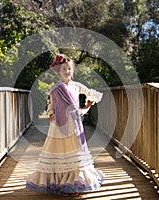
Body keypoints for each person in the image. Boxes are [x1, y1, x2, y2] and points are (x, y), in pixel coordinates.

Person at [25, 54, 104, 196]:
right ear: (58, 72)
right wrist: (51, 115)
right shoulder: (55, 88)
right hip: (58, 126)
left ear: (72, 70)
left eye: (69, 69)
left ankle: (74, 182)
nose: (67, 72)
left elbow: (92, 94)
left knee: (74, 151)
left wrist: (85, 108)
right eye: (63, 70)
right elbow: (51, 106)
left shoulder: (76, 86)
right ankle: (60, 182)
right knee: (59, 152)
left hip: (74, 125)